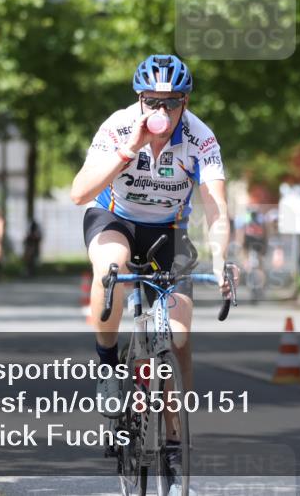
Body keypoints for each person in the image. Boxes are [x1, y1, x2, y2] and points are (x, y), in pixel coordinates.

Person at [70, 53, 236, 492]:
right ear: (139, 100)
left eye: (172, 103)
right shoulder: (119, 126)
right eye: (152, 102)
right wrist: (130, 148)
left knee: (179, 334)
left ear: (185, 102)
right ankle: (108, 365)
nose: (161, 112)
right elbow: (78, 192)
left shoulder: (200, 138)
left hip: (168, 230)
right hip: (114, 219)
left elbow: (217, 208)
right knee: (112, 269)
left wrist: (221, 259)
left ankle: (175, 439)